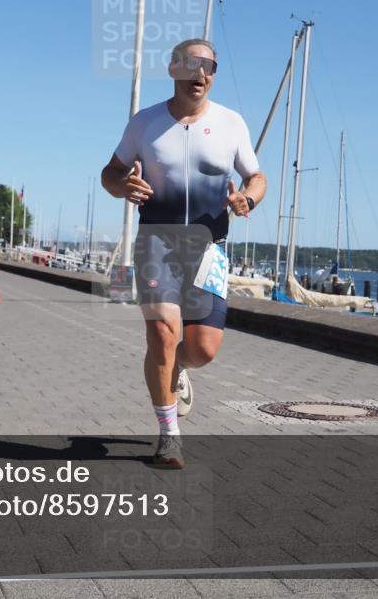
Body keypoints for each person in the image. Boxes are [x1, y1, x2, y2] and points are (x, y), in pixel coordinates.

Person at [101, 39, 267, 468]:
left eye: (209, 66)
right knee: (161, 335)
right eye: (191, 64)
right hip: (157, 240)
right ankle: (168, 434)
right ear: (174, 68)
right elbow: (111, 172)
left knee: (203, 348)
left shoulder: (231, 124)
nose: (200, 73)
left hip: (208, 248)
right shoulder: (145, 123)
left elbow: (257, 176)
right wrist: (123, 186)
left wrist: (248, 197)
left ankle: (178, 369)